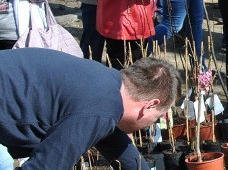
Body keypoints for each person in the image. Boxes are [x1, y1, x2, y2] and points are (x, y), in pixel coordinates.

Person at [0, 48, 180, 169]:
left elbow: (114, 142)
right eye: (156, 118)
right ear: (150, 105)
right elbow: (46, 165)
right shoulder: (100, 109)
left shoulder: (106, 84)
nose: (151, 124)